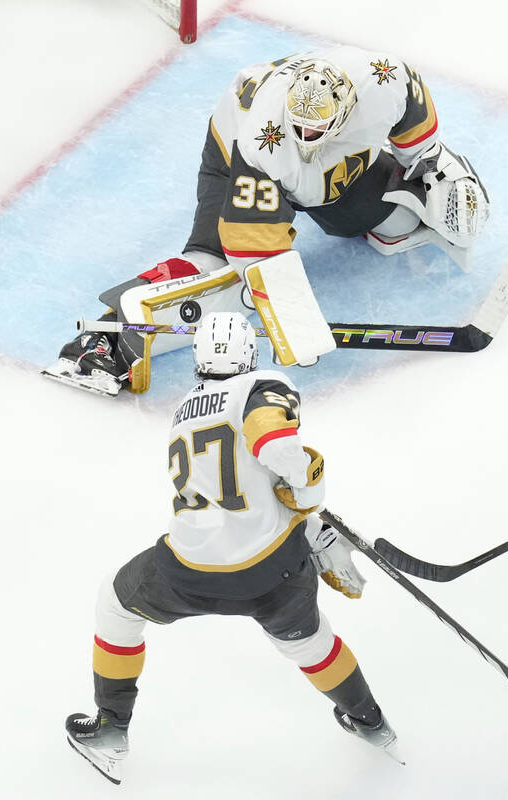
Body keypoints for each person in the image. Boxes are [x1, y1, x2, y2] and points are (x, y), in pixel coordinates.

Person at [64, 312, 400, 785]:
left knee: (116, 604)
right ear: (250, 355)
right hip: (272, 575)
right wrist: (308, 497)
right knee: (310, 644)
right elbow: (277, 448)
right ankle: (371, 723)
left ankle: (110, 727)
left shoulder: (182, 412)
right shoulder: (261, 384)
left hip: (187, 571)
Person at [44, 45, 490, 397]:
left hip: (329, 165)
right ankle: (105, 336)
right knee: (217, 270)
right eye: (300, 128)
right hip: (234, 153)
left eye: (316, 129)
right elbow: (253, 254)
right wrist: (293, 322)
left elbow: (418, 127)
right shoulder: (265, 143)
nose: (306, 138)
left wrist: (428, 166)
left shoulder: (383, 79)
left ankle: (363, 205)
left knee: (395, 223)